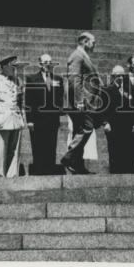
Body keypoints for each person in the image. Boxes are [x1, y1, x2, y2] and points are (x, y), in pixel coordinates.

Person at [60, 32, 101, 175]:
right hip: (80, 102)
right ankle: (69, 157)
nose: (94, 44)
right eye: (92, 42)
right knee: (86, 128)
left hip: (85, 101)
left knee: (79, 130)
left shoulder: (82, 55)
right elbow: (74, 79)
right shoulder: (77, 55)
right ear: (84, 41)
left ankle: (78, 165)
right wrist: (79, 100)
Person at [0, 55, 25, 178]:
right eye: (13, 66)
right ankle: (0, 174)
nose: (15, 69)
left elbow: (21, 102)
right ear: (5, 66)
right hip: (0, 119)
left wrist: (23, 118)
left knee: (15, 149)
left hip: (15, 118)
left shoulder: (18, 81)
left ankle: (13, 174)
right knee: (1, 149)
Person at [24, 54, 65, 175]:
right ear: (40, 64)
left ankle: (50, 170)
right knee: (38, 146)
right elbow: (28, 101)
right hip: (37, 119)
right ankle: (38, 171)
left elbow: (60, 97)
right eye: (45, 62)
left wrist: (60, 110)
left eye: (50, 62)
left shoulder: (58, 79)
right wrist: (29, 120)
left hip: (52, 119)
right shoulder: (32, 79)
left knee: (51, 146)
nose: (48, 64)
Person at [101, 65, 134, 173]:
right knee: (114, 151)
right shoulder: (107, 90)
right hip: (113, 125)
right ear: (113, 76)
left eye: (122, 75)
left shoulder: (129, 90)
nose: (120, 77)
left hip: (127, 125)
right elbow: (103, 109)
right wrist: (105, 123)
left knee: (127, 150)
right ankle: (115, 173)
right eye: (117, 75)